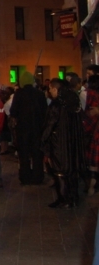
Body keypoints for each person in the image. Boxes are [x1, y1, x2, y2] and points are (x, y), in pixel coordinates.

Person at [42, 78, 85, 208]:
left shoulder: (56, 105)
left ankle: (64, 199)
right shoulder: (74, 103)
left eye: (50, 89)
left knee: (60, 172)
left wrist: (43, 140)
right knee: (71, 171)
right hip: (73, 143)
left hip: (59, 144)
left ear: (55, 89)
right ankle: (73, 198)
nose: (49, 91)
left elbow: (49, 125)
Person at [10, 72, 47, 185]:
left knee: (24, 155)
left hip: (23, 129)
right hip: (37, 129)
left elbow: (13, 111)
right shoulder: (40, 94)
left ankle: (25, 177)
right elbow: (45, 111)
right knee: (37, 154)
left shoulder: (19, 94)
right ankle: (37, 176)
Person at [84, 75, 99, 195]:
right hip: (95, 130)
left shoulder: (90, 94)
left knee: (94, 162)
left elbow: (89, 113)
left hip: (95, 131)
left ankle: (91, 187)